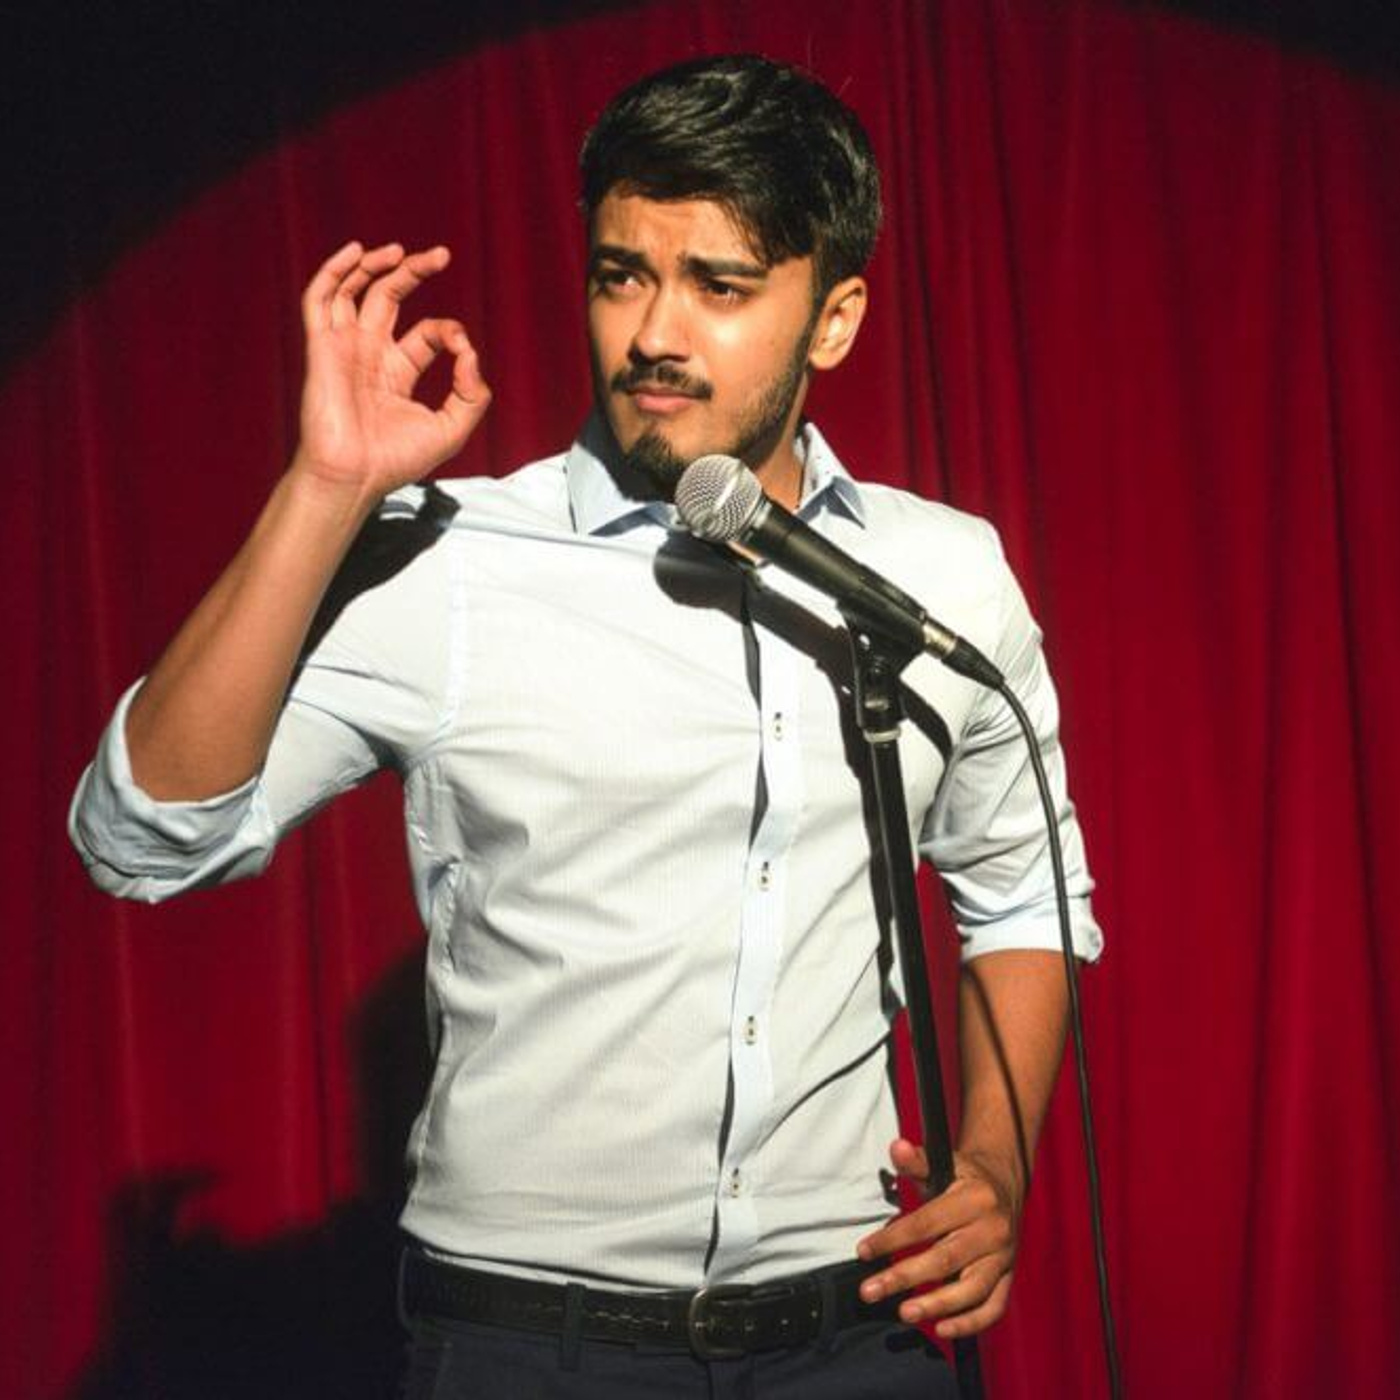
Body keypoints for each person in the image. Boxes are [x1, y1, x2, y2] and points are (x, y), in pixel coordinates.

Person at [69, 54, 1101, 1399]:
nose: (654, 333)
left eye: (720, 286)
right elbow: (144, 838)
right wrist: (325, 488)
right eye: (623, 275)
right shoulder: (451, 559)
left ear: (834, 318)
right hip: (533, 1349)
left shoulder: (944, 575)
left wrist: (995, 1165)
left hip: (856, 1332)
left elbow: (1023, 893)